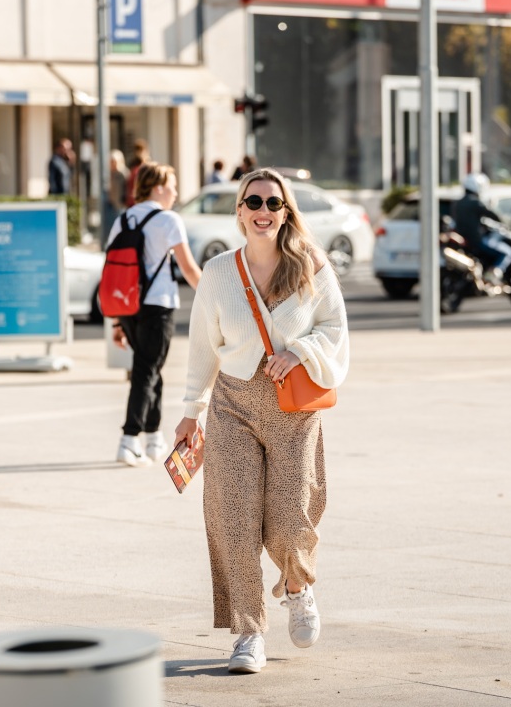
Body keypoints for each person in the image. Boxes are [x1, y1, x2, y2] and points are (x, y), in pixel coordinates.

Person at [174, 168, 349, 674]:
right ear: (239, 211)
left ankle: (297, 586)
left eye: (274, 203)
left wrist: (300, 351)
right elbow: (203, 348)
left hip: (293, 409)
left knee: (292, 517)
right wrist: (192, 412)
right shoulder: (218, 272)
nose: (263, 211)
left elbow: (335, 327)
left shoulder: (311, 265)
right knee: (232, 518)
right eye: (254, 202)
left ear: (286, 212)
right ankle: (248, 633)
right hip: (233, 403)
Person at [107, 163, 202, 466]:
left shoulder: (123, 219)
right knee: (146, 371)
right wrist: (216, 296)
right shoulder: (168, 219)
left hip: (127, 306)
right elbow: (188, 268)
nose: (175, 193)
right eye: (172, 186)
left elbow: (113, 268)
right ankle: (128, 439)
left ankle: (152, 438)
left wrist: (116, 322)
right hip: (158, 305)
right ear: (158, 186)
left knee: (150, 369)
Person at [454, 173, 511, 283]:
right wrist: (508, 222)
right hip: (476, 240)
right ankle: (489, 277)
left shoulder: (458, 202)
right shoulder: (475, 202)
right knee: (507, 252)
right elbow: (493, 215)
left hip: (463, 239)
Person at [125, 139, 150, 207]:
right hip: (133, 201)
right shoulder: (133, 166)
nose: (139, 154)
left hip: (141, 202)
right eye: (137, 150)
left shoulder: (147, 168)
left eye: (141, 150)